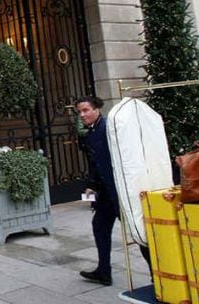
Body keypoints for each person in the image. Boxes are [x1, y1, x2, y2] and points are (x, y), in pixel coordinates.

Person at [76, 96, 117, 286]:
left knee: (137, 234)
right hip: (104, 192)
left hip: (116, 190)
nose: (82, 115)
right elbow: (94, 164)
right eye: (79, 112)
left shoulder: (107, 128)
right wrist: (91, 190)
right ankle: (104, 271)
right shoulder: (91, 132)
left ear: (97, 109)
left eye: (86, 110)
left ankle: (155, 274)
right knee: (99, 226)